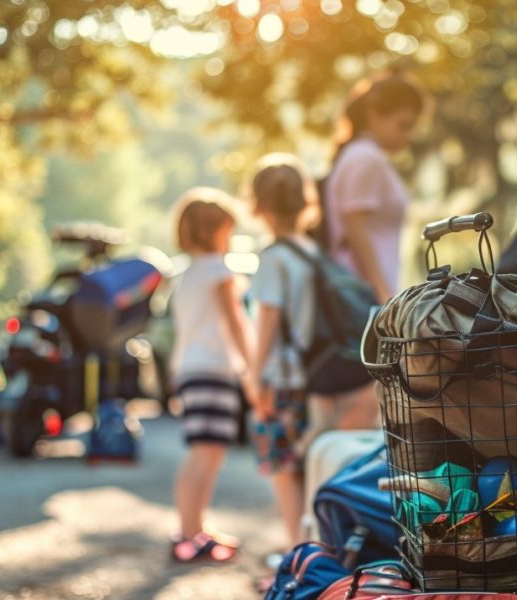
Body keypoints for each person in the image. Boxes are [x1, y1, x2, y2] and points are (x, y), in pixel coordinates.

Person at [320, 71, 428, 432]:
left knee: (363, 414)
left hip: (363, 300)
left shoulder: (360, 156)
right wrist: (384, 297)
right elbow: (356, 229)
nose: (408, 137)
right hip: (363, 303)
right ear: (375, 115)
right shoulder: (365, 159)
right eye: (403, 125)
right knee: (363, 416)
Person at [167, 188, 252, 563]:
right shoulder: (219, 272)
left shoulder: (186, 275)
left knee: (209, 451)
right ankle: (188, 532)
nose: (230, 238)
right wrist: (253, 366)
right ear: (213, 231)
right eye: (228, 230)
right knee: (204, 452)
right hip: (212, 370)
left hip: (193, 369)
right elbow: (236, 324)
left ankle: (195, 526)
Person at [246, 154, 321, 546]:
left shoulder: (273, 257)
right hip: (315, 376)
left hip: (282, 379)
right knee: (310, 467)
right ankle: (317, 552)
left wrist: (255, 377)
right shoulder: (313, 253)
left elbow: (267, 323)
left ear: (258, 206)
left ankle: (298, 556)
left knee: (283, 469)